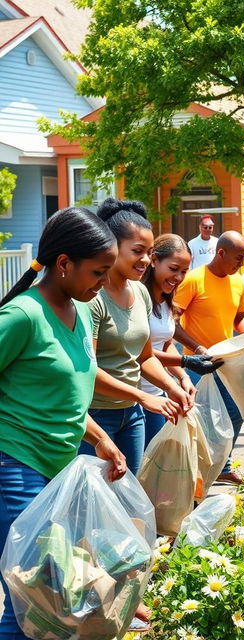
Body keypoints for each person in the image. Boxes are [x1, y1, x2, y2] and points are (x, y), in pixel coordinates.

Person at [0, 207, 127, 638]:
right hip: (15, 471)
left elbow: (65, 395)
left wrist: (100, 439)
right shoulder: (23, 316)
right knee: (32, 600)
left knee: (56, 603)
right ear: (63, 264)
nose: (104, 282)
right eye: (98, 271)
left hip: (58, 473)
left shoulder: (79, 312)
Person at [78, 199, 191, 476]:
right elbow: (87, 371)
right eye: (137, 251)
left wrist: (172, 385)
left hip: (132, 416)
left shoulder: (140, 293)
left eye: (149, 252)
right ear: (111, 246)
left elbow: (144, 357)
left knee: (131, 495)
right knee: (97, 503)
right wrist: (143, 396)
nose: (145, 260)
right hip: (96, 416)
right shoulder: (93, 298)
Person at [173, 230, 244, 484]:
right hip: (197, 365)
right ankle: (197, 472)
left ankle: (222, 465)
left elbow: (239, 319)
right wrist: (197, 348)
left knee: (237, 412)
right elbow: (173, 323)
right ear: (220, 253)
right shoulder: (194, 279)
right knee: (200, 419)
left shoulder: (237, 281)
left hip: (227, 362)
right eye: (238, 259)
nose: (241, 265)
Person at [140, 234, 222, 446]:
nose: (178, 277)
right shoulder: (138, 298)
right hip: (137, 396)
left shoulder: (166, 300)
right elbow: (141, 352)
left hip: (160, 392)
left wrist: (183, 377)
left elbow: (166, 343)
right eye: (174, 269)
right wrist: (185, 362)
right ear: (154, 260)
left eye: (184, 271)